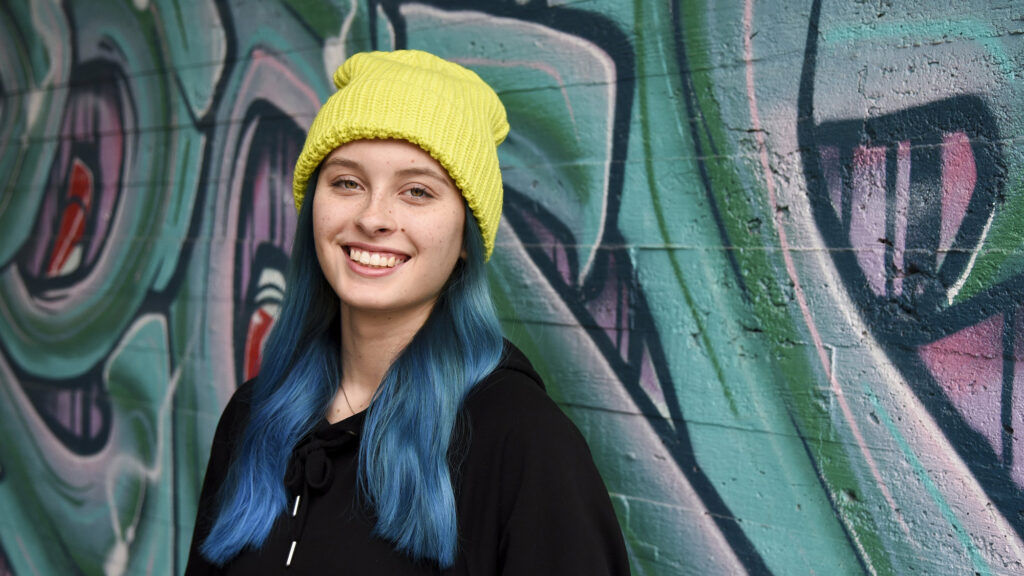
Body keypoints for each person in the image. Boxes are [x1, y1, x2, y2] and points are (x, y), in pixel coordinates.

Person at [185, 49, 630, 575]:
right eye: (347, 182)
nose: (374, 217)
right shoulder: (255, 417)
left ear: (466, 237)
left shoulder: (524, 445)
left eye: (417, 191)